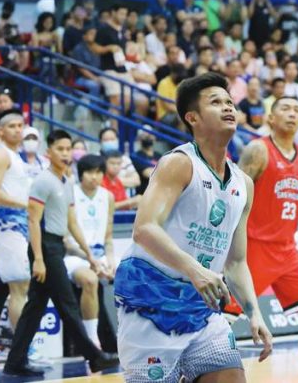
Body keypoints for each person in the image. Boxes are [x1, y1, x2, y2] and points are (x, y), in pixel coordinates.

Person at [113, 72, 271, 382]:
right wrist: (194, 269)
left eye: (229, 102)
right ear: (193, 118)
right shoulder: (178, 163)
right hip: (151, 302)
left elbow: (236, 261)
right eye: (215, 102)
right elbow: (144, 229)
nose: (228, 107)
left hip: (202, 310)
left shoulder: (244, 184)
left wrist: (255, 313)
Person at [3, 130, 119, 377]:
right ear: (49, 152)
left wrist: (89, 254)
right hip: (45, 246)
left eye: (68, 149)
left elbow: (72, 222)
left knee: (35, 306)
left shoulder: (66, 181)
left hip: (57, 244)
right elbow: (33, 221)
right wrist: (39, 259)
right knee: (67, 304)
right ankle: (95, 356)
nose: (65, 153)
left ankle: (14, 362)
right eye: (60, 149)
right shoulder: (43, 181)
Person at [237, 96, 298, 383]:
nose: (292, 114)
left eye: (297, 110)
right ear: (270, 118)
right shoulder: (258, 150)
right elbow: (234, 198)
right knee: (219, 318)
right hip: (252, 247)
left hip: (287, 251)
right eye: (285, 109)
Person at [0, 110, 32, 341]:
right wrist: (26, 204)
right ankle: (23, 350)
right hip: (7, 226)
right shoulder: (1, 154)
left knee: (5, 289)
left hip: (16, 225)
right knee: (19, 287)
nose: (18, 130)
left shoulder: (15, 154)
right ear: (1, 130)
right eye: (12, 126)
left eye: (21, 125)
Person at [64, 155, 116, 348]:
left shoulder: (108, 197)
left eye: (99, 172)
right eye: (89, 172)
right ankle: (92, 340)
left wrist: (110, 260)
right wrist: (91, 260)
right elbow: (66, 242)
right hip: (75, 255)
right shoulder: (70, 194)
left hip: (100, 255)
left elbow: (108, 238)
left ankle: (136, 335)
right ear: (80, 174)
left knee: (135, 274)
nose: (94, 177)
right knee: (90, 280)